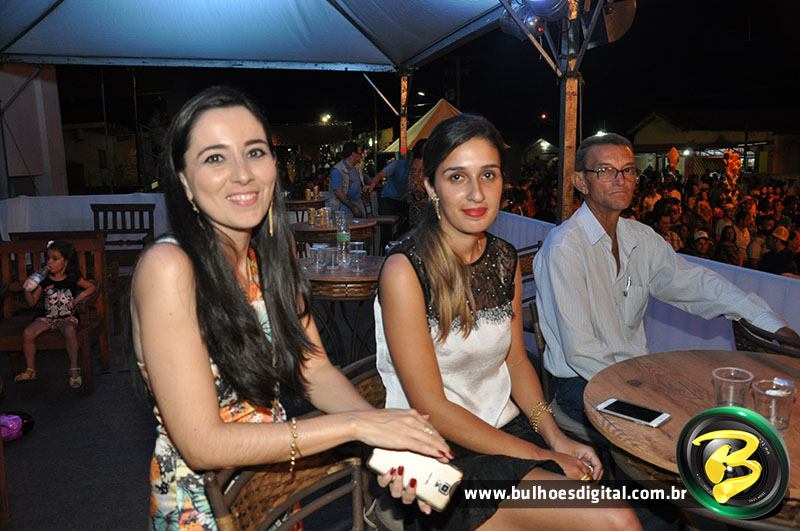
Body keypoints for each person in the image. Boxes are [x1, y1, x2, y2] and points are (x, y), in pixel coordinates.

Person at [131, 87, 452, 527]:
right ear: (184, 180)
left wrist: (386, 438)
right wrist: (357, 427)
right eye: (215, 158)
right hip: (202, 509)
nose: (242, 174)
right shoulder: (170, 267)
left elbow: (313, 369)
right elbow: (201, 443)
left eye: (255, 152)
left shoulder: (268, 259)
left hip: (275, 481)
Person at [376, 115, 639, 530]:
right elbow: (432, 408)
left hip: (506, 435)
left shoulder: (503, 259)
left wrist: (555, 436)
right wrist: (543, 454)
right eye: (457, 177)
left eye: (488, 174)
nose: (476, 193)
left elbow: (516, 362)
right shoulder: (405, 270)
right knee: (615, 518)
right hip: (434, 454)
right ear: (430, 187)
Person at [534, 132, 798, 427]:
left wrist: (771, 325)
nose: (621, 180)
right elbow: (581, 352)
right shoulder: (565, 248)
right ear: (581, 182)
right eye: (606, 170)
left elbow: (699, 285)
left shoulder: (640, 238)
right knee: (680, 425)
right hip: (581, 383)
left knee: (715, 409)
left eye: (628, 170)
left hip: (630, 371)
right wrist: (647, 386)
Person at [14, 240, 96, 388]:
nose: (49, 262)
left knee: (70, 330)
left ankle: (74, 368)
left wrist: (78, 298)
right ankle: (31, 370)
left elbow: (91, 287)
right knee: (27, 333)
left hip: (67, 317)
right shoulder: (44, 279)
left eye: (55, 258)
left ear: (66, 262)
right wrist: (27, 290)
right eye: (48, 258)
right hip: (47, 317)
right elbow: (32, 303)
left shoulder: (72, 277)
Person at [363, 140, 427, 222]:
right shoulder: (398, 164)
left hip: (405, 201)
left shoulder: (422, 169)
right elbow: (380, 175)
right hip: (389, 199)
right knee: (386, 224)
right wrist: (372, 185)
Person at [327, 141, 365, 219]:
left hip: (357, 205)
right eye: (359, 153)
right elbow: (339, 193)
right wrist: (353, 207)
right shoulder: (338, 170)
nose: (360, 156)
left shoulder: (357, 168)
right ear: (353, 154)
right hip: (342, 209)